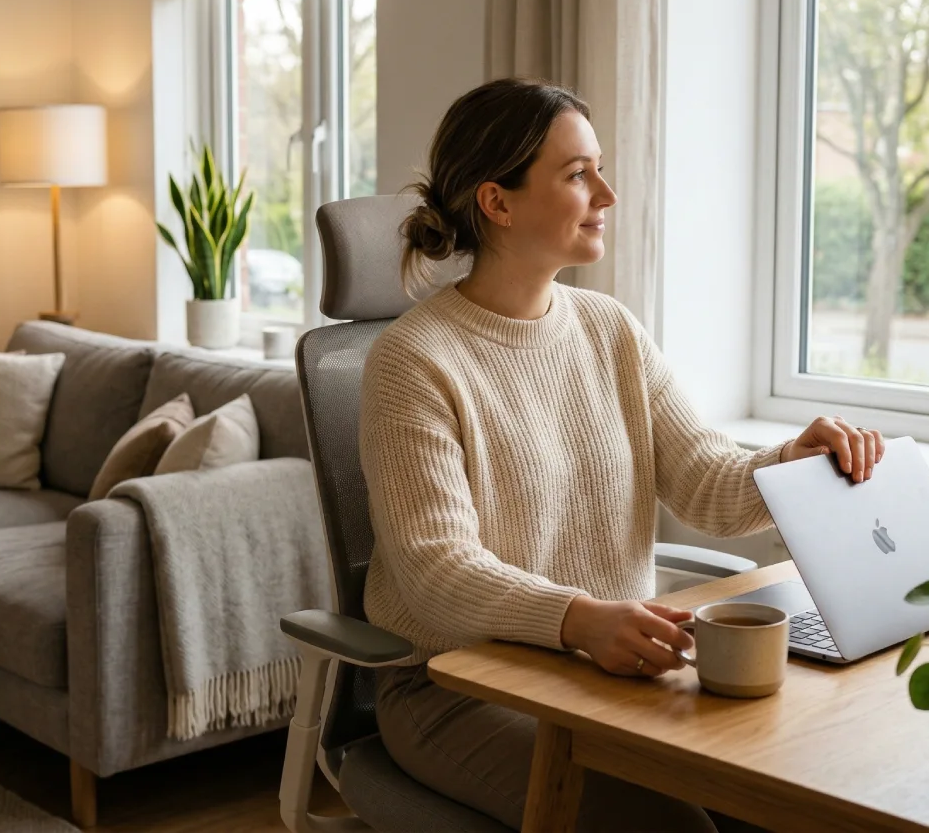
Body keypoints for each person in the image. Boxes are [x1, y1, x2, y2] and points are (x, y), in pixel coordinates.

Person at [358, 77, 885, 832]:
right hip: (460, 689)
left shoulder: (611, 329)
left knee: (791, 799)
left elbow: (706, 484)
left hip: (614, 673)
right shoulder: (413, 360)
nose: (606, 193)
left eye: (598, 167)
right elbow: (437, 571)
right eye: (577, 174)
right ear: (497, 203)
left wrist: (794, 460)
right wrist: (578, 621)